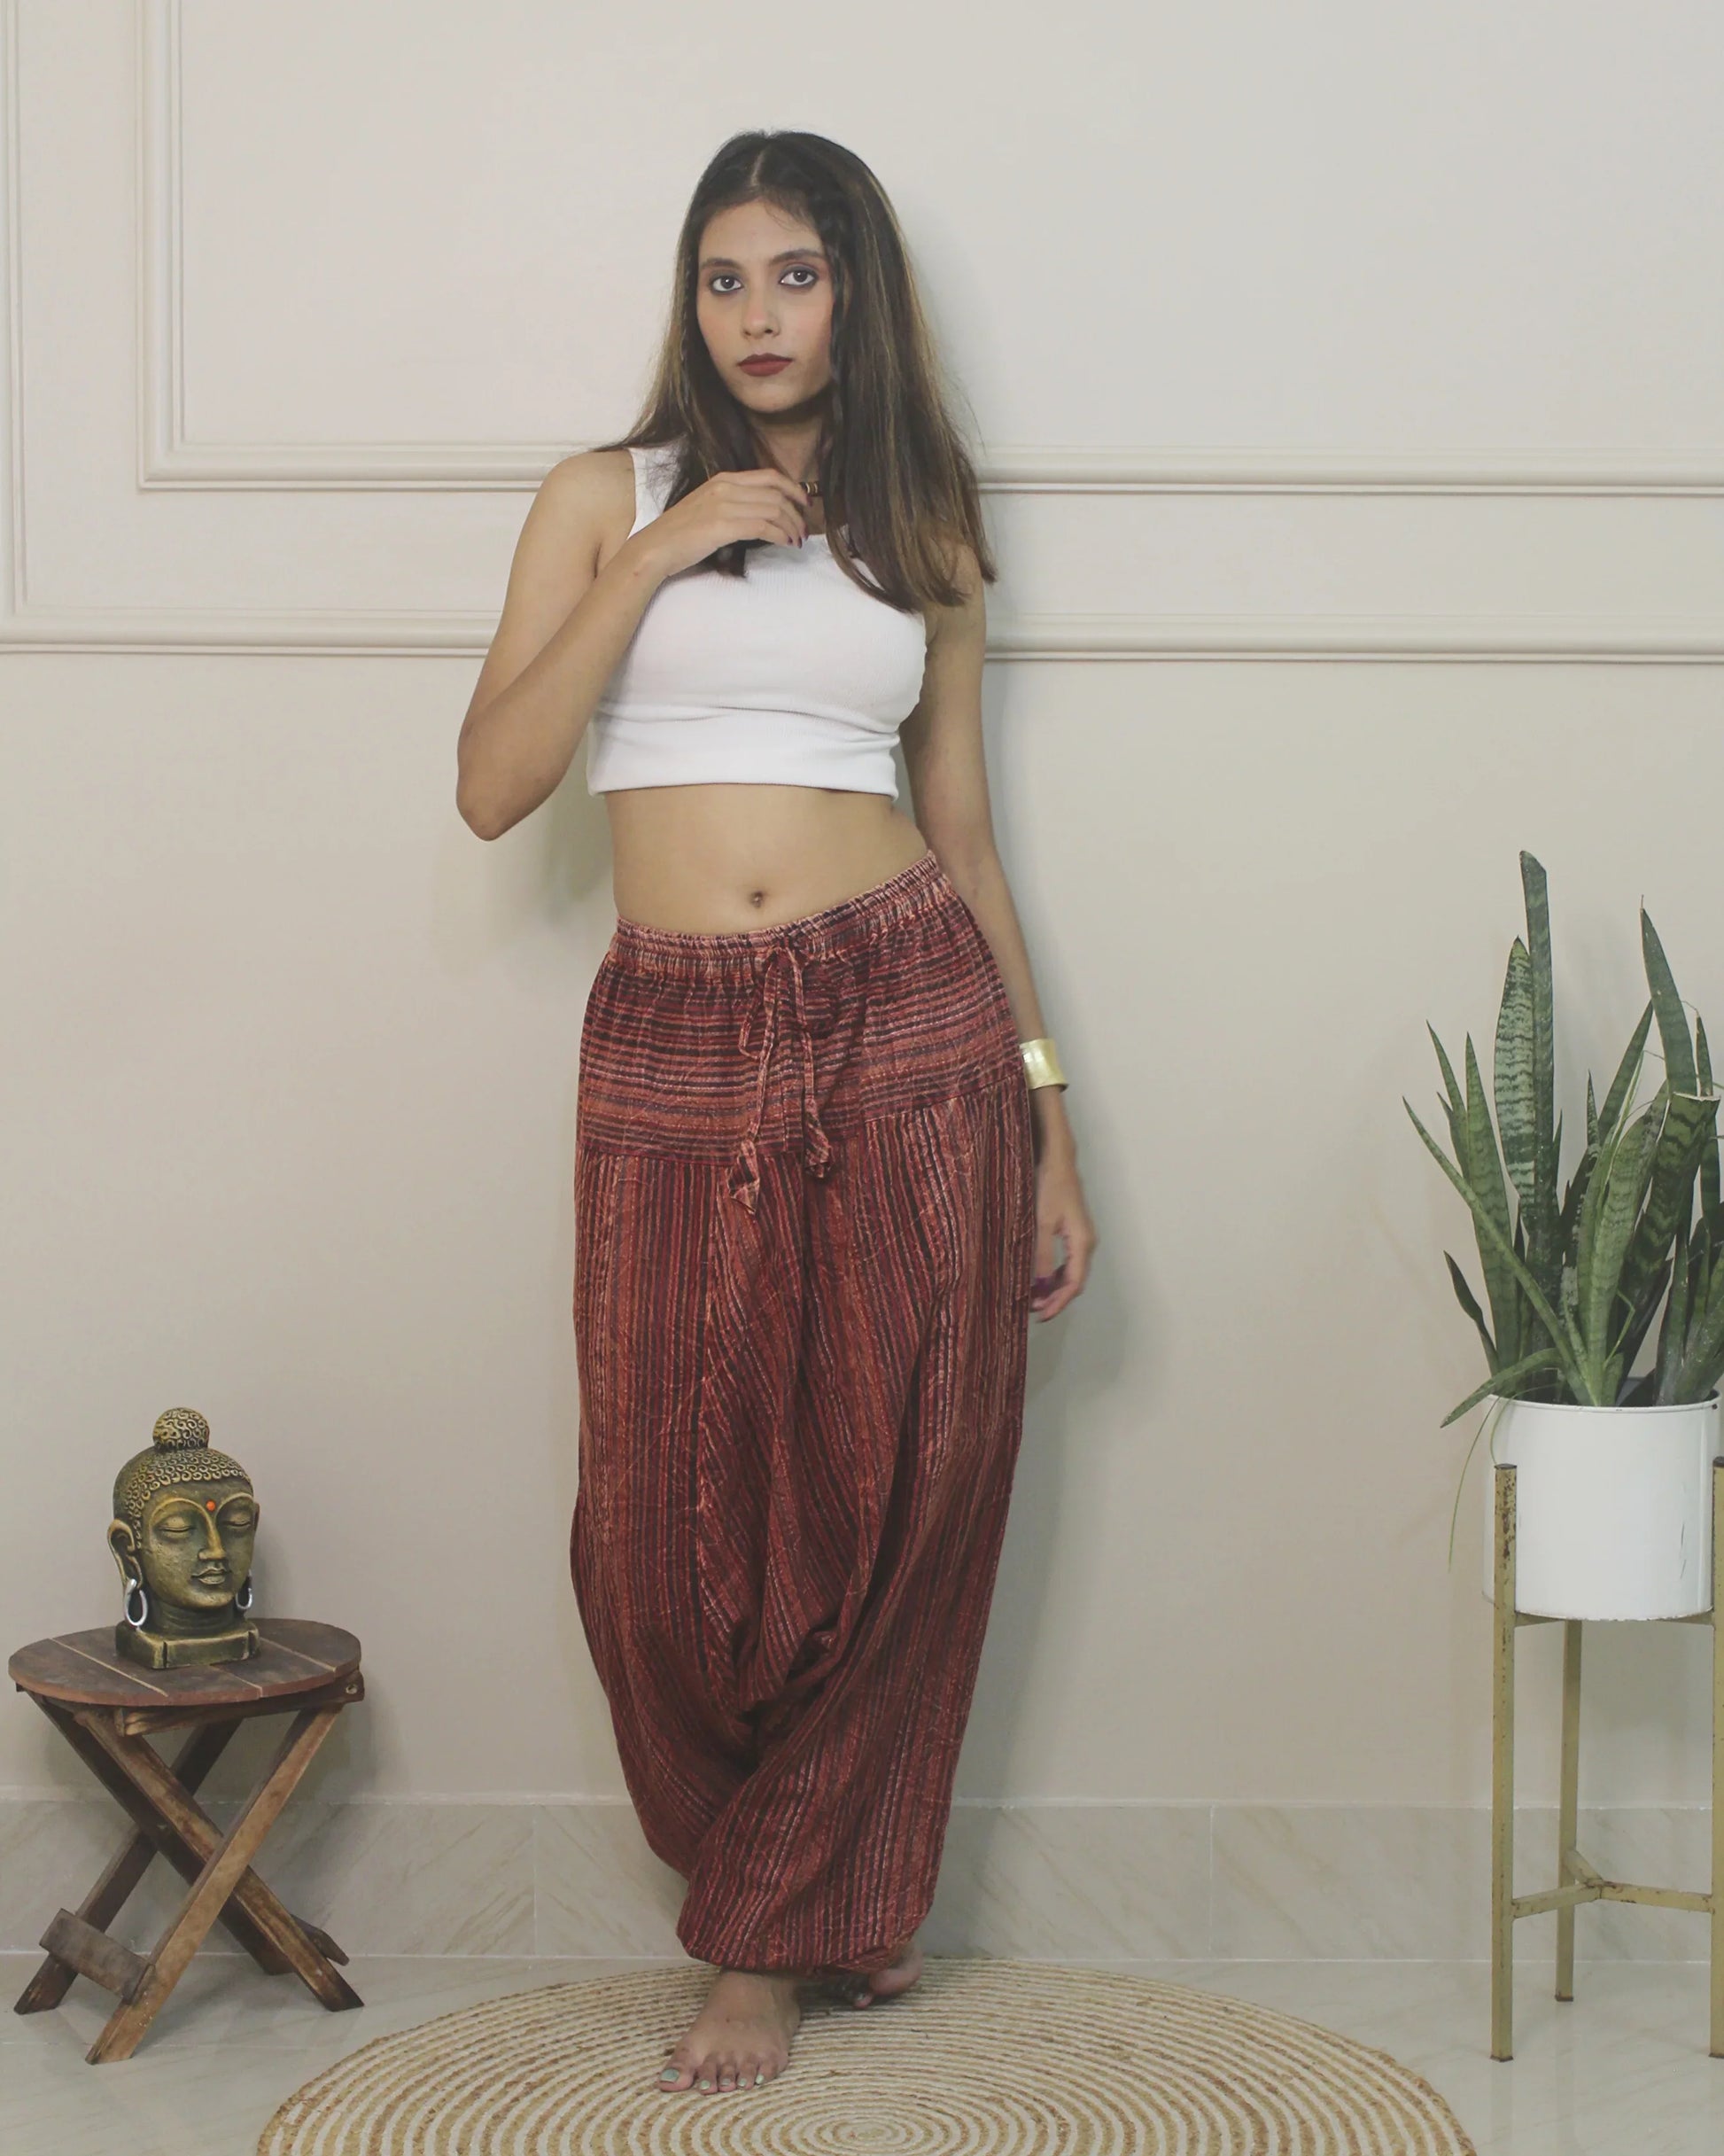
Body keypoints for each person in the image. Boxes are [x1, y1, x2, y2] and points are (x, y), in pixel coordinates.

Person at [456, 128, 1096, 2102]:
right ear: (692, 297)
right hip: (672, 1019)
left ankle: (775, 1934)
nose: (757, 315)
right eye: (727, 278)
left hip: (906, 996)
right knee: (662, 1508)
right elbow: (492, 784)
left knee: (910, 1461)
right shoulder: (601, 494)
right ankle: (791, 1880)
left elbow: (970, 843)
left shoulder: (926, 518)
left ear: (854, 295)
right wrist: (661, 548)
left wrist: (1054, 1119)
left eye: (796, 277)